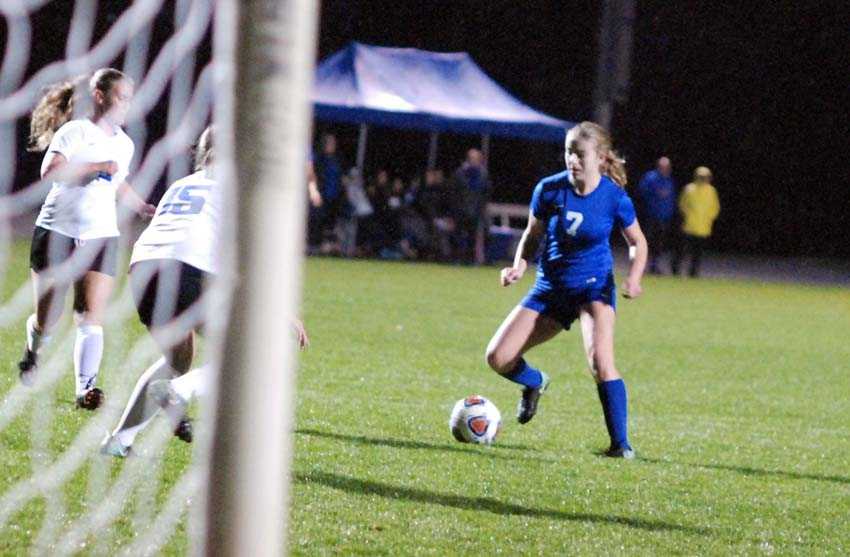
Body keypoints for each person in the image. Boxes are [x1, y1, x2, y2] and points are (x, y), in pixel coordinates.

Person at [100, 126, 309, 457]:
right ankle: (179, 391)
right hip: (187, 269)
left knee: (178, 359)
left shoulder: (180, 185)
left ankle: (119, 441)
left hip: (143, 271)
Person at [484, 121, 648, 459]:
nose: (571, 160)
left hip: (594, 289)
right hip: (551, 289)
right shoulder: (549, 189)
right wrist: (519, 265)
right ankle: (534, 382)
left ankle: (621, 445)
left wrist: (634, 277)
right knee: (498, 358)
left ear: (601, 158)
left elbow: (638, 242)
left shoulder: (614, 198)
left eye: (579, 154)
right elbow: (532, 234)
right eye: (568, 152)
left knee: (601, 362)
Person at [17, 68, 155, 410]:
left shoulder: (125, 143)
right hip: (57, 231)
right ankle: (33, 352)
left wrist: (140, 206)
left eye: (129, 98)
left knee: (90, 315)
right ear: (99, 96)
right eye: (121, 97)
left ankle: (86, 390)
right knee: (48, 318)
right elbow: (49, 172)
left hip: (101, 235)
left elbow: (117, 180)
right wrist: (95, 167)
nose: (126, 104)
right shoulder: (75, 131)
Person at [671, 166, 720, 277]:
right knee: (682, 250)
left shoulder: (711, 191)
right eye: (701, 177)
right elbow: (681, 204)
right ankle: (675, 270)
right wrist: (687, 215)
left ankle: (693, 272)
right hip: (688, 226)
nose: (704, 179)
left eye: (706, 177)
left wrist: (709, 218)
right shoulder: (689, 189)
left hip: (703, 228)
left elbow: (715, 207)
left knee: (697, 253)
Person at [637, 156, 676, 274]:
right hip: (651, 214)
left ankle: (654, 266)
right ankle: (640, 265)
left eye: (667, 167)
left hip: (664, 217)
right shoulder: (650, 178)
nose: (665, 169)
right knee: (646, 242)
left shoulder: (669, 180)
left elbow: (672, 197)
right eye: (663, 166)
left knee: (659, 244)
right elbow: (642, 191)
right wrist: (656, 193)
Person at [453, 148, 490, 264]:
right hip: (461, 210)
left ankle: (470, 259)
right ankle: (457, 258)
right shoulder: (460, 173)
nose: (475, 160)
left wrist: (481, 208)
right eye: (472, 158)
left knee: (472, 237)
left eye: (477, 158)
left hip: (476, 210)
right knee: (458, 235)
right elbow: (454, 193)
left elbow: (486, 193)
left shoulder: (483, 174)